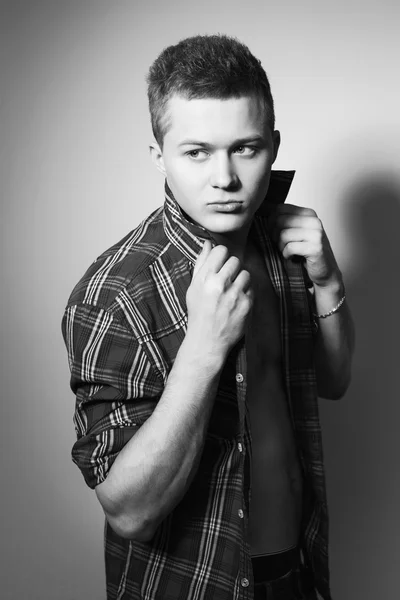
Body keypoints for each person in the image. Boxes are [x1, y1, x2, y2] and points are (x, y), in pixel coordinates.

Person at [62, 34, 354, 600]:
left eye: (245, 148)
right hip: (194, 582)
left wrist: (328, 282)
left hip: (296, 568)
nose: (224, 177)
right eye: (196, 152)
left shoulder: (282, 244)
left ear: (272, 145)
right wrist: (203, 350)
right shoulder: (117, 292)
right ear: (159, 156)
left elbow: (334, 382)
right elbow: (129, 513)